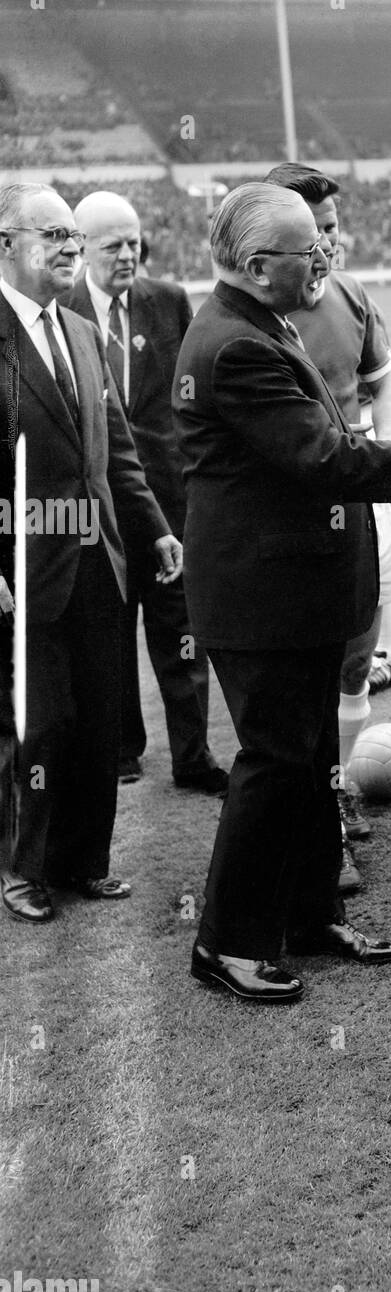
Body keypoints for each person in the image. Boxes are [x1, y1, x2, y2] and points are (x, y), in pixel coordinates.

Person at [172, 182, 391, 1004]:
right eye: (310, 249)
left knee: (308, 762)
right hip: (261, 602)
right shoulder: (236, 346)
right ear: (257, 264)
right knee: (272, 764)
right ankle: (226, 943)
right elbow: (326, 460)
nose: (325, 258)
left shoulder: (260, 323)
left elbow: (329, 445)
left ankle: (307, 918)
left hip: (294, 593)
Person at [0, 183, 182, 923]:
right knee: (37, 723)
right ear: (6, 244)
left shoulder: (80, 333)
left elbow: (118, 456)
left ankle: (85, 861)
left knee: (100, 718)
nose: (72, 248)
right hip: (22, 570)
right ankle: (24, 868)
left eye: (76, 235)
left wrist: (155, 528)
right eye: (53, 234)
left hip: (98, 559)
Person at [262, 163, 391, 888]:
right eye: (311, 233)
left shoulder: (350, 295)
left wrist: (386, 451)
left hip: (357, 495)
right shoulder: (262, 312)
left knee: (356, 661)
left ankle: (338, 804)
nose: (325, 246)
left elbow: (384, 378)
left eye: (330, 230)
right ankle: (310, 815)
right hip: (292, 511)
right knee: (304, 672)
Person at [66, 190, 227, 795]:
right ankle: (122, 747)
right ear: (83, 249)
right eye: (114, 246)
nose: (128, 255)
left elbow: (194, 394)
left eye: (135, 243)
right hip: (99, 503)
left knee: (181, 628)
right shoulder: (64, 307)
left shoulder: (168, 300)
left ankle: (193, 755)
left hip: (169, 496)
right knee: (109, 626)